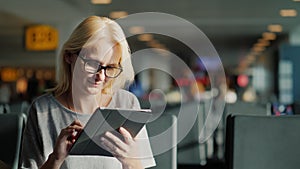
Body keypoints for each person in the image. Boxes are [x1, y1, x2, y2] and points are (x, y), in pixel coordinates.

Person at [20, 16, 156, 169]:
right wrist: (55, 159)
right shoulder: (42, 111)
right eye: (92, 64)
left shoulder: (127, 104)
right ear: (69, 56)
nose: (101, 76)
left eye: (110, 67)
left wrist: (132, 163)